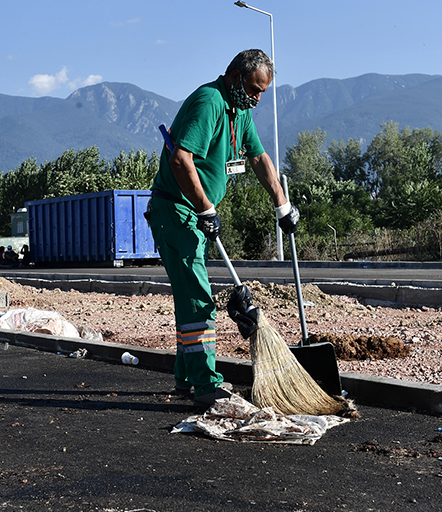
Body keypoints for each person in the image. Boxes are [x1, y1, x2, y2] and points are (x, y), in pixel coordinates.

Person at [147, 49, 299, 408]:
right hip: (176, 212)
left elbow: (259, 157)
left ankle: (187, 379)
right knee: (199, 299)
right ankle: (206, 385)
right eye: (253, 90)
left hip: (194, 215)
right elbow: (181, 158)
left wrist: (282, 203)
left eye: (263, 92)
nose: (258, 99)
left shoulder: (239, 111)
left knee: (189, 297)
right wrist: (206, 207)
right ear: (234, 77)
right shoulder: (209, 102)